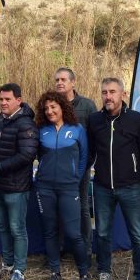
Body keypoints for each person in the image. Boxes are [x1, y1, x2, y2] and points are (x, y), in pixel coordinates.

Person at [87, 78, 140, 280]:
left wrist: (133, 170)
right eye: (104, 92)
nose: (108, 96)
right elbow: (91, 151)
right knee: (102, 232)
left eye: (112, 92)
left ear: (123, 94)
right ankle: (104, 271)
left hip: (131, 187)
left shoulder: (136, 119)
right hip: (102, 186)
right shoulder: (94, 120)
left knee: (138, 235)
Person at [0, 83, 38, 280]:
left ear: (18, 101)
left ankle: (19, 270)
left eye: (7, 99)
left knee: (17, 229)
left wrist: (0, 167)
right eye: (1, 99)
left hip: (17, 187)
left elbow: (27, 155)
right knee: (3, 227)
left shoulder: (27, 124)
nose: (3, 103)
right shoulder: (1, 121)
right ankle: (8, 264)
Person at [34, 90, 93, 280]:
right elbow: (39, 156)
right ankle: (55, 274)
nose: (49, 111)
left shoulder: (77, 129)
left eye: (53, 107)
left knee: (74, 234)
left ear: (62, 107)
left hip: (69, 188)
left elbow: (84, 157)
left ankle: (84, 275)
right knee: (50, 232)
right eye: (46, 108)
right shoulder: (42, 130)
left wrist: (76, 178)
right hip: (45, 188)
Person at [54, 67, 97, 259]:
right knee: (59, 206)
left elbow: (94, 138)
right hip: (58, 167)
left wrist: (86, 164)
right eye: (57, 80)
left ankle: (86, 250)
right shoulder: (52, 104)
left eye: (63, 79)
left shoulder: (87, 106)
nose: (59, 83)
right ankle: (60, 248)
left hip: (80, 167)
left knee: (82, 207)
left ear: (73, 82)